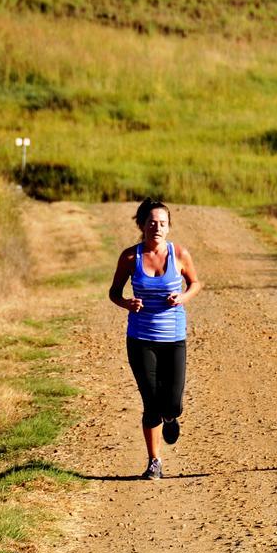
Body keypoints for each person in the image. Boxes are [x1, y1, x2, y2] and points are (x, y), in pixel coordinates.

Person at [109, 198, 201, 480]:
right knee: (150, 401)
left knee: (171, 403)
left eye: (162, 223)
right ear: (141, 225)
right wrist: (127, 303)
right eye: (151, 223)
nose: (157, 228)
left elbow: (195, 283)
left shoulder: (180, 254)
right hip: (140, 339)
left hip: (173, 338)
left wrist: (182, 298)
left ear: (169, 227)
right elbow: (114, 292)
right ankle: (154, 462)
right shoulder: (130, 257)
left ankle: (171, 416)